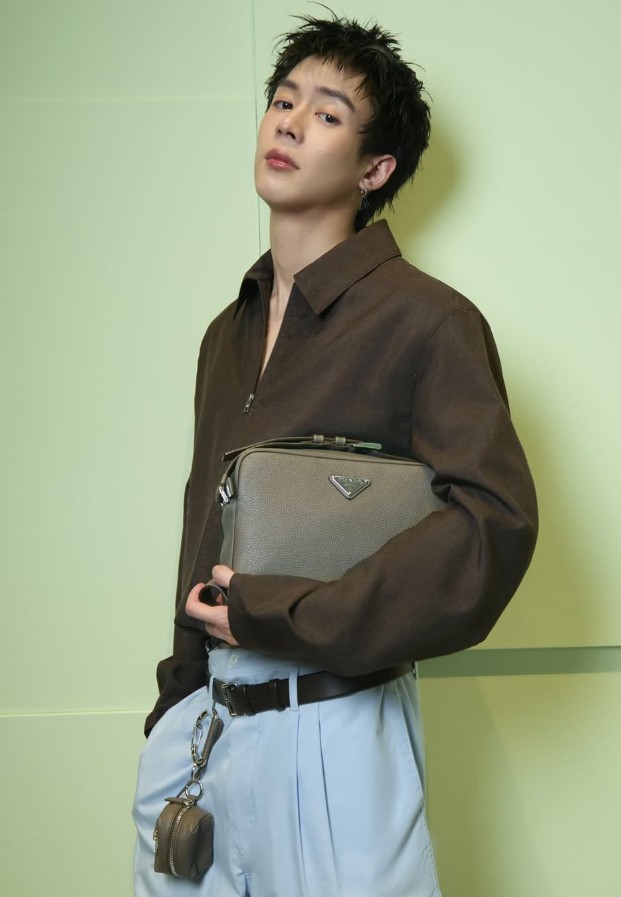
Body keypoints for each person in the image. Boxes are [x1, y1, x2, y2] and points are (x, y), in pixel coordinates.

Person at [133, 12, 538, 897]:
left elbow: (492, 527)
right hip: (203, 735)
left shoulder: (427, 320)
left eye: (325, 114)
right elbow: (205, 515)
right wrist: (174, 704)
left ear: (373, 168)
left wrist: (287, 614)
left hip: (334, 721)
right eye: (282, 101)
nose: (288, 123)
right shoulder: (226, 331)